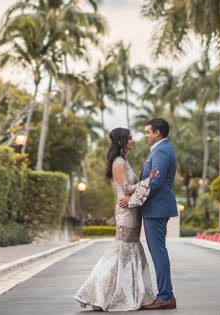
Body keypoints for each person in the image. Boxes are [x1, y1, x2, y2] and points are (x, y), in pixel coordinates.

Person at [74, 128, 159, 312]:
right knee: (122, 249)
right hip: (125, 211)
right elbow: (127, 188)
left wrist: (145, 183)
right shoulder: (118, 162)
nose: (133, 140)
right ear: (121, 141)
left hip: (132, 210)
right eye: (129, 138)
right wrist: (148, 181)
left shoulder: (124, 161)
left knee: (131, 249)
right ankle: (98, 293)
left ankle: (128, 293)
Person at [126, 118, 178, 310]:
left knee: (158, 252)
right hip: (155, 208)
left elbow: (154, 182)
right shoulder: (160, 150)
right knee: (158, 251)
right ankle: (167, 295)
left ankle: (165, 296)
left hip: (156, 208)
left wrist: (131, 201)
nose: (146, 135)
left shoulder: (162, 151)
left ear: (157, 133)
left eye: (148, 132)